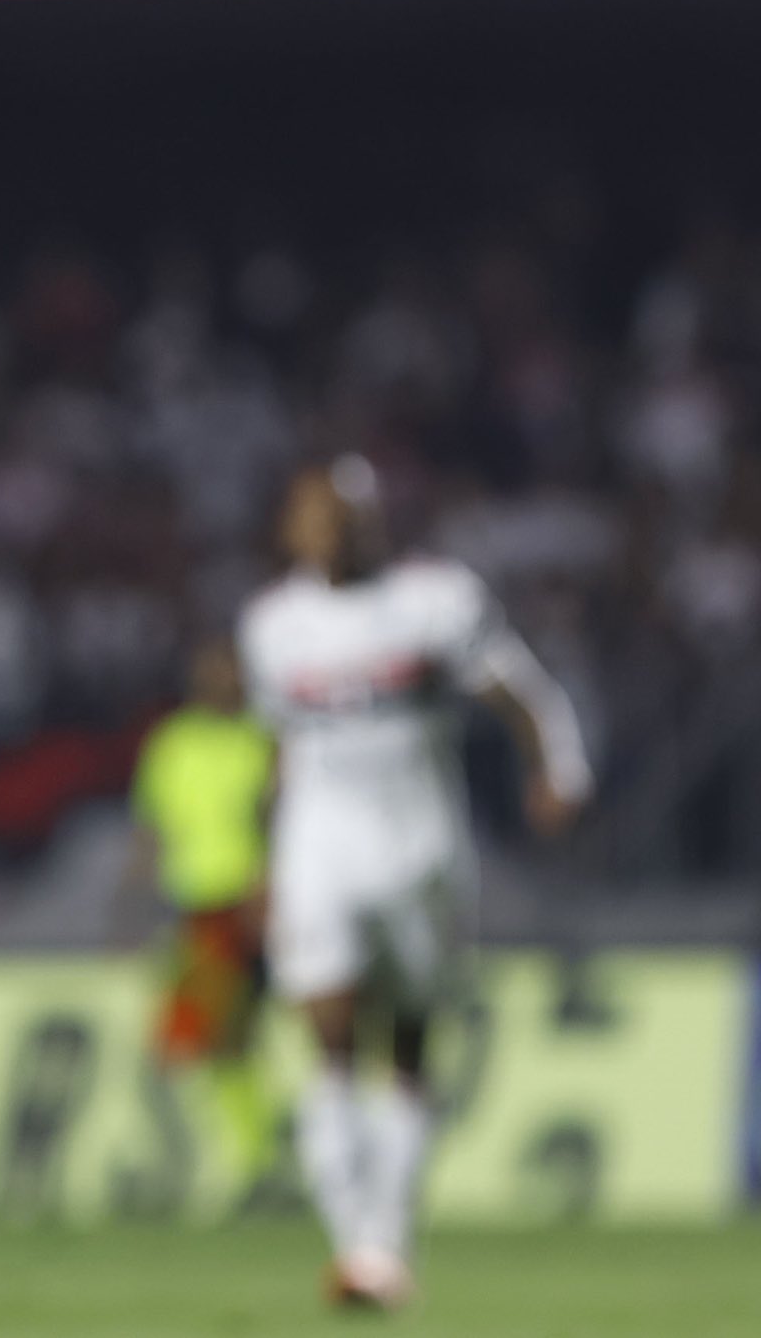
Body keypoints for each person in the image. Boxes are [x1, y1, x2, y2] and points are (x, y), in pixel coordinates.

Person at [238, 457, 591, 1308]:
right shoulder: (274, 625)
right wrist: (261, 862)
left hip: (422, 853)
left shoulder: (437, 603)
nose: (337, 531)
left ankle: (383, 1246)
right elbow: (280, 747)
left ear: (378, 523)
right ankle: (356, 1244)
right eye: (320, 516)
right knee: (326, 1045)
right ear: (293, 529)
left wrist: (560, 769)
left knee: (404, 1053)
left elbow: (523, 693)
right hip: (317, 851)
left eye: (352, 516)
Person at [125, 635, 278, 1190]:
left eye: (230, 671)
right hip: (198, 908)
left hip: (258, 902)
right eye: (211, 671)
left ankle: (266, 1154)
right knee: (214, 1040)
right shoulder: (173, 743)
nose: (221, 682)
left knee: (229, 1036)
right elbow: (150, 828)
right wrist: (133, 907)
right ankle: (263, 1153)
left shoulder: (266, 738)